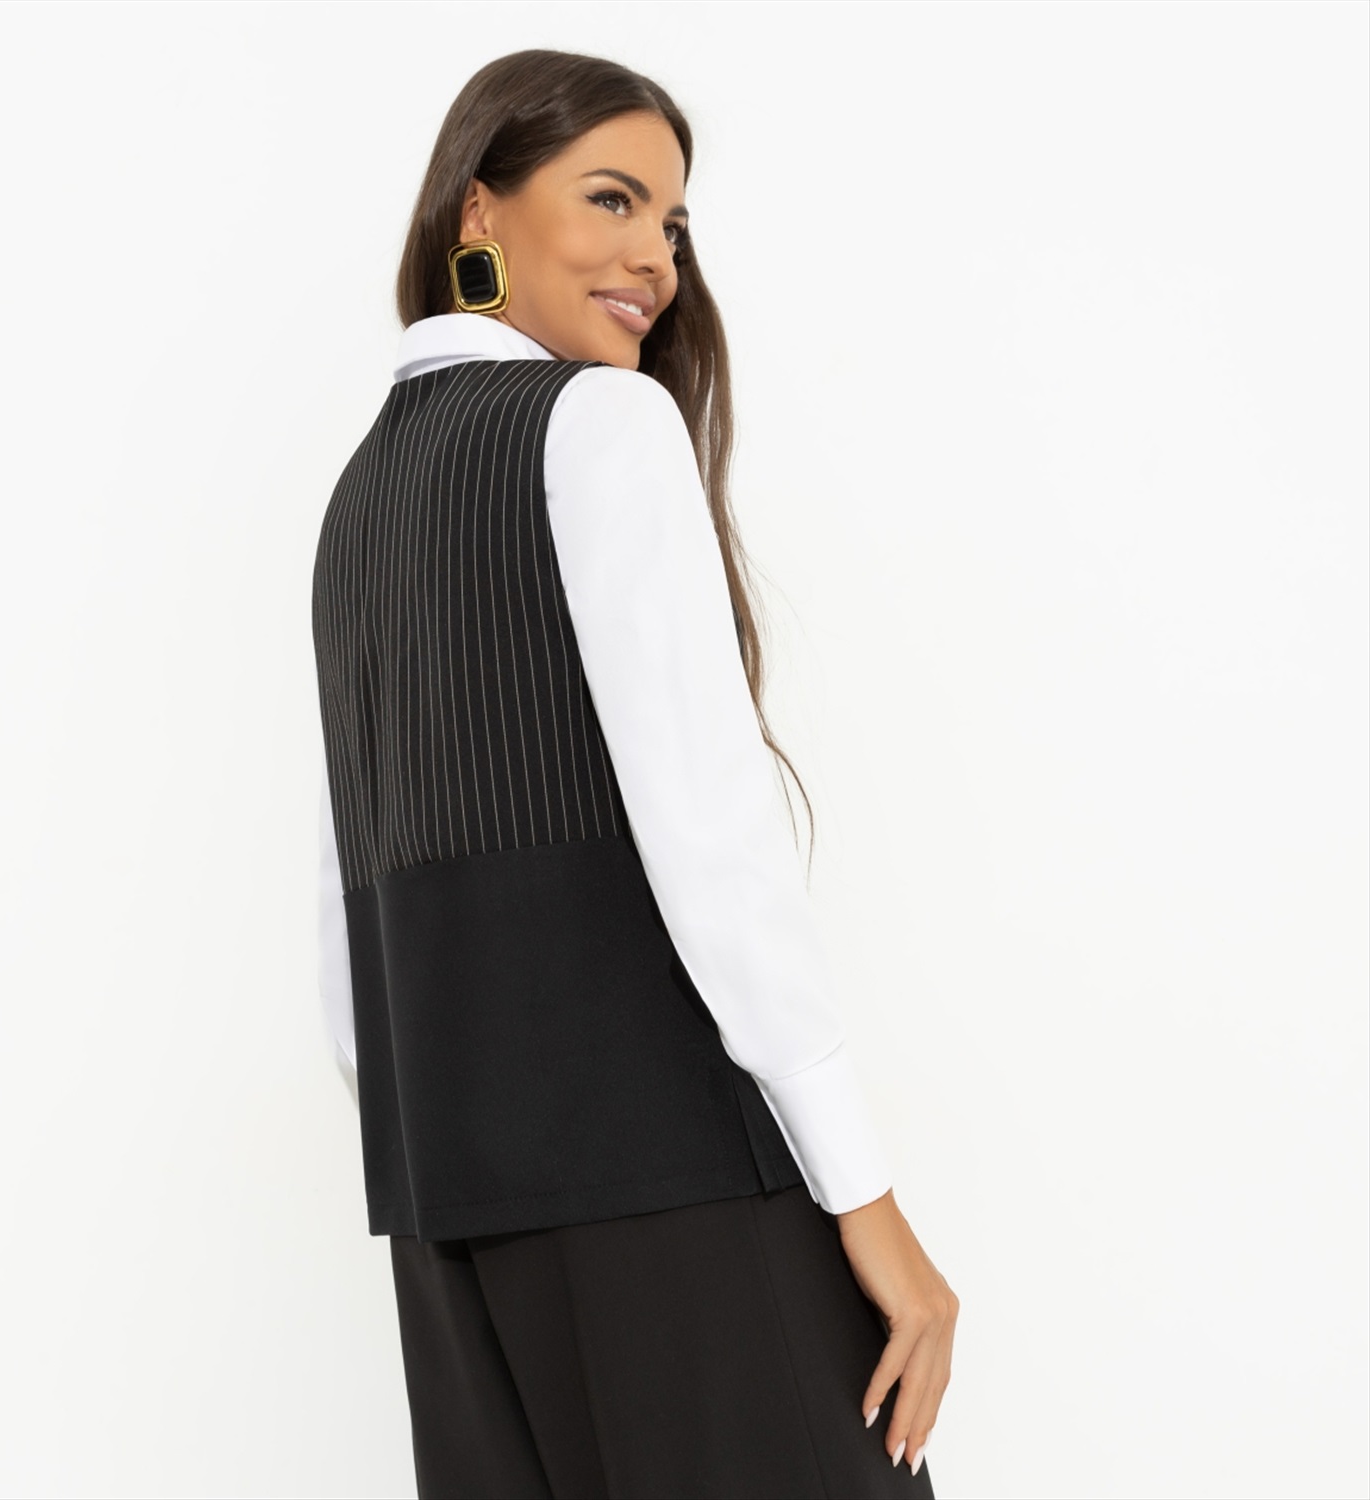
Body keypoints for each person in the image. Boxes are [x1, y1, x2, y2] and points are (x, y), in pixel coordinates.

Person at [311, 47, 958, 1498]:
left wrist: (454, 1155)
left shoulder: (360, 497)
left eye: (670, 222)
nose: (654, 257)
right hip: (674, 1177)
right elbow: (713, 843)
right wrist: (866, 1200)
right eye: (610, 199)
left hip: (447, 1214)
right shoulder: (600, 424)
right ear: (480, 210)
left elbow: (347, 934)